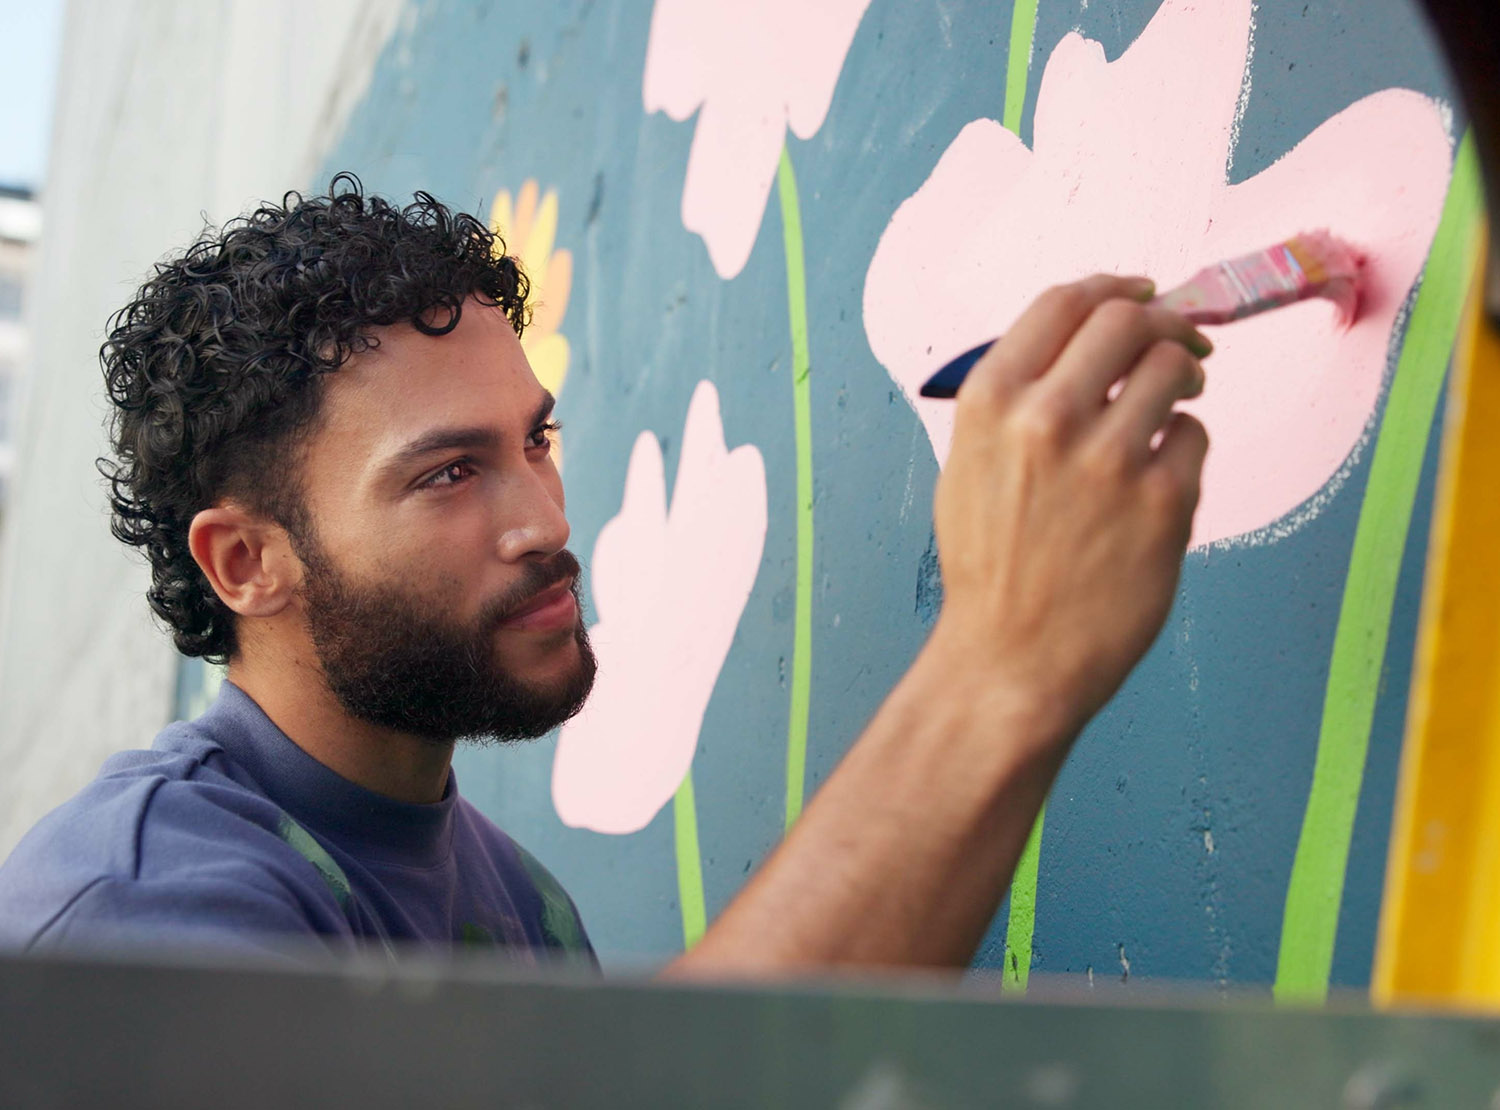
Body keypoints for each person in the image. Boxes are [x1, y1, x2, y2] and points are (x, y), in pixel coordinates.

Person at [0, 176, 1211, 971]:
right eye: (446, 475)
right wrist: (1001, 658)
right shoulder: (137, 913)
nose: (541, 519)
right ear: (247, 563)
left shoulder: (523, 908)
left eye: (535, 440)